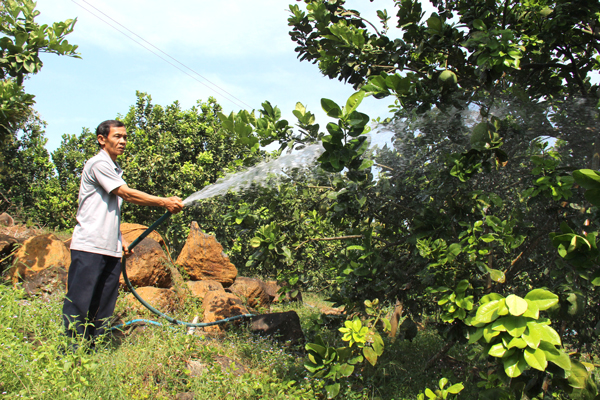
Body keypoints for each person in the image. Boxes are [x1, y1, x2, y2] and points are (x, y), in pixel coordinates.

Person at [62, 119, 184, 343]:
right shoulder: (98, 164)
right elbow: (126, 194)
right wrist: (163, 202)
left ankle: (93, 349)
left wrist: (119, 239)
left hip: (110, 249)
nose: (123, 141)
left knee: (103, 306)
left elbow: (107, 210)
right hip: (89, 247)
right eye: (117, 136)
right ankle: (70, 353)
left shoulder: (114, 169)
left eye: (125, 137)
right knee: (80, 303)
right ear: (102, 140)